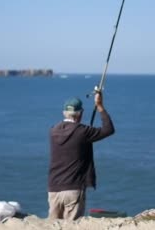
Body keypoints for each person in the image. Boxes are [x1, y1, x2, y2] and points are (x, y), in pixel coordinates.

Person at [47, 91, 115, 220]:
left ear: (63, 113)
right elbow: (109, 129)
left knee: (53, 225)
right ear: (81, 113)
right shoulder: (83, 132)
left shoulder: (52, 131)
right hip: (73, 188)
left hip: (53, 188)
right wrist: (100, 106)